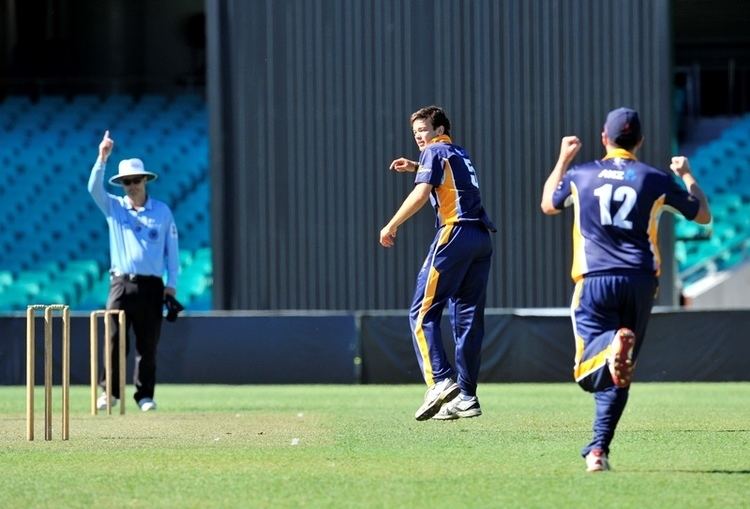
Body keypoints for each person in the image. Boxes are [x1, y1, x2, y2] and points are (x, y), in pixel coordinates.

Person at [540, 107, 711, 471]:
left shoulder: (581, 174)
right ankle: (598, 451)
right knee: (621, 371)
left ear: (605, 137)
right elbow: (703, 215)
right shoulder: (655, 178)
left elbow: (548, 204)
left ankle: (611, 348)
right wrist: (687, 175)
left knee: (588, 370)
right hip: (640, 281)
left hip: (595, 279)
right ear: (641, 141)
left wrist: (563, 158)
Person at [379, 106, 496, 421]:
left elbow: (421, 194)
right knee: (467, 322)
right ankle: (467, 398)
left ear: (441, 129)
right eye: (415, 132)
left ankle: (440, 380)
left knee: (421, 313)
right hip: (481, 238)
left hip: (454, 233)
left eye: (424, 130)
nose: (419, 136)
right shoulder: (458, 152)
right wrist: (417, 165)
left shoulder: (435, 150)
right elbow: (448, 176)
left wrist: (391, 225)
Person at [88, 130, 180, 412]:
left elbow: (172, 251)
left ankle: (144, 396)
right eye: (126, 182)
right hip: (120, 283)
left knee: (147, 342)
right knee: (114, 339)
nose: (131, 186)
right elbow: (93, 188)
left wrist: (171, 284)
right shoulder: (114, 207)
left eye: (135, 180)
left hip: (152, 285)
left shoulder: (162, 211)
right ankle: (110, 393)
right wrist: (102, 158)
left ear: (145, 180)